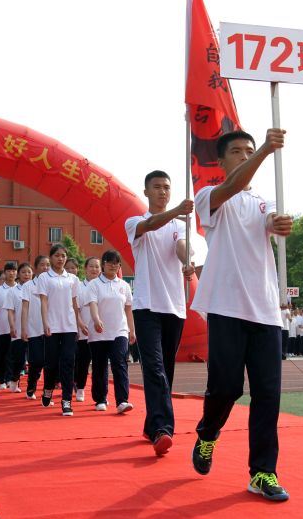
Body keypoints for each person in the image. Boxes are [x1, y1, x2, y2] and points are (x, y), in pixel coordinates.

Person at [189, 128, 291, 502]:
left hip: (265, 311)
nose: (245, 155)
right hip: (227, 307)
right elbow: (233, 187)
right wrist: (265, 148)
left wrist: (281, 226)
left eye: (249, 150)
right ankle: (208, 432)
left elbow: (270, 226)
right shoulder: (210, 198)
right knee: (228, 388)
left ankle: (263, 471)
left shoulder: (264, 203)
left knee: (268, 395)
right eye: (238, 151)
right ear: (221, 160)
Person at [124, 170, 195, 456]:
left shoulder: (178, 225)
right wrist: (177, 210)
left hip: (174, 307)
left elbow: (179, 247)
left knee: (166, 370)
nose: (163, 191)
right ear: (146, 192)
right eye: (157, 187)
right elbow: (152, 225)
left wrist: (187, 259)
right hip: (146, 306)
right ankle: (164, 429)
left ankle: (151, 425)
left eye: (167, 187)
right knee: (154, 368)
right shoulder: (135, 222)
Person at [36, 243, 88, 416]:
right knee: (51, 363)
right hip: (52, 325)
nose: (60, 259)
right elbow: (43, 302)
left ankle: (66, 401)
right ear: (51, 258)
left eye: (63, 256)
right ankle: (48, 388)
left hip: (69, 326)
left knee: (68, 362)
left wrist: (79, 323)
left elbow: (75, 304)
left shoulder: (73, 279)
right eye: (57, 255)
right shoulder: (44, 278)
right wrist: (45, 323)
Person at [86, 249, 136, 414]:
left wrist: (132, 330)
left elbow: (128, 309)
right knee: (100, 366)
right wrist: (96, 319)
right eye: (109, 262)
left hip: (119, 330)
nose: (113, 266)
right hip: (99, 331)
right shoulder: (94, 284)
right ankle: (100, 399)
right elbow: (92, 304)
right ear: (104, 264)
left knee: (119, 362)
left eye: (116, 263)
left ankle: (122, 400)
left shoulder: (124, 285)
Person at [22, 255, 50, 401]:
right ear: (36, 268)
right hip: (34, 330)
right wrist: (24, 328)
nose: (45, 267)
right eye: (42, 265)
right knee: (36, 361)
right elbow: (25, 309)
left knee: (50, 363)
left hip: (51, 330)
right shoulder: (28, 286)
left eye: (47, 265)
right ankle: (31, 385)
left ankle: (47, 393)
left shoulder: (53, 284)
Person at [74, 257, 99, 403]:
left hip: (100, 332)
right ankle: (80, 387)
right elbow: (75, 308)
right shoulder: (80, 287)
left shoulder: (103, 285)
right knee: (83, 362)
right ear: (85, 268)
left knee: (99, 364)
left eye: (97, 267)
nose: (94, 269)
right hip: (83, 331)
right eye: (91, 266)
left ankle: (99, 394)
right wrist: (80, 324)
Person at [4, 262, 32, 392]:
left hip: (35, 330)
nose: (26, 274)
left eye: (29, 272)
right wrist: (12, 326)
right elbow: (10, 310)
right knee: (19, 359)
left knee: (36, 360)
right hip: (19, 330)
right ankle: (14, 379)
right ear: (18, 275)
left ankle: (32, 388)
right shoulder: (13, 291)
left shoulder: (37, 288)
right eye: (23, 272)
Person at [0, 264, 18, 389]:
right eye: (9, 271)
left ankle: (11, 379)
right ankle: (2, 379)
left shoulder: (20, 289)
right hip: (2, 327)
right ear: (5, 273)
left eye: (14, 271)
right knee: (3, 355)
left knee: (14, 355)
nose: (12, 273)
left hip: (17, 328)